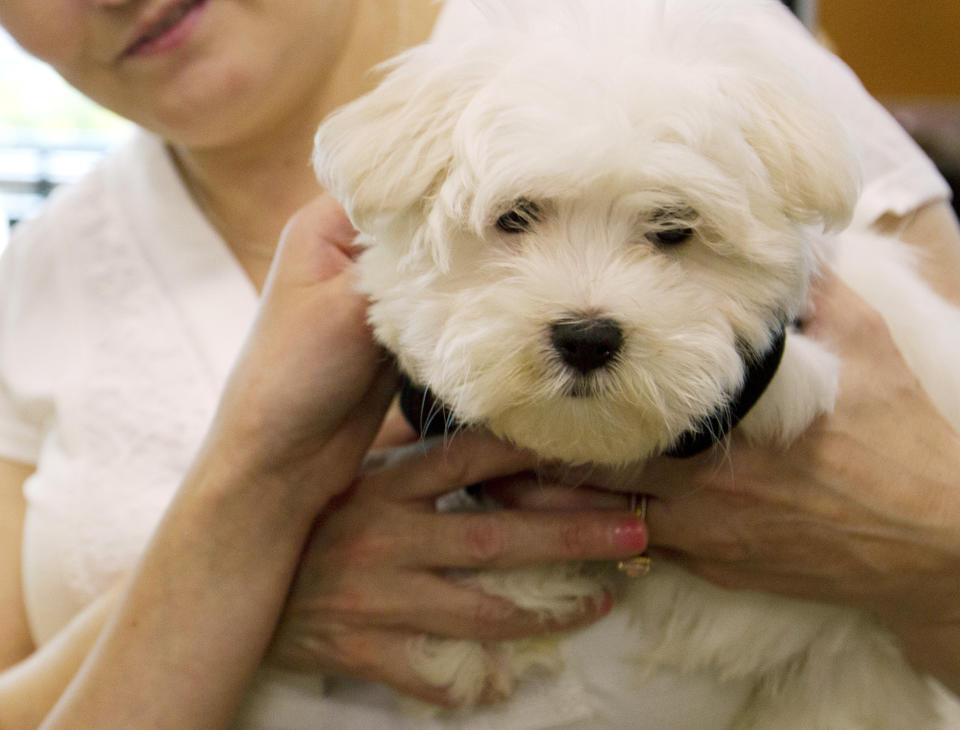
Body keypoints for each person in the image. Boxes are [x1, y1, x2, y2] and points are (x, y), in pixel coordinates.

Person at [0, 1, 955, 728]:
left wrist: (925, 544)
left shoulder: (687, 41)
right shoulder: (33, 279)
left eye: (667, 230)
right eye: (513, 221)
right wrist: (238, 574)